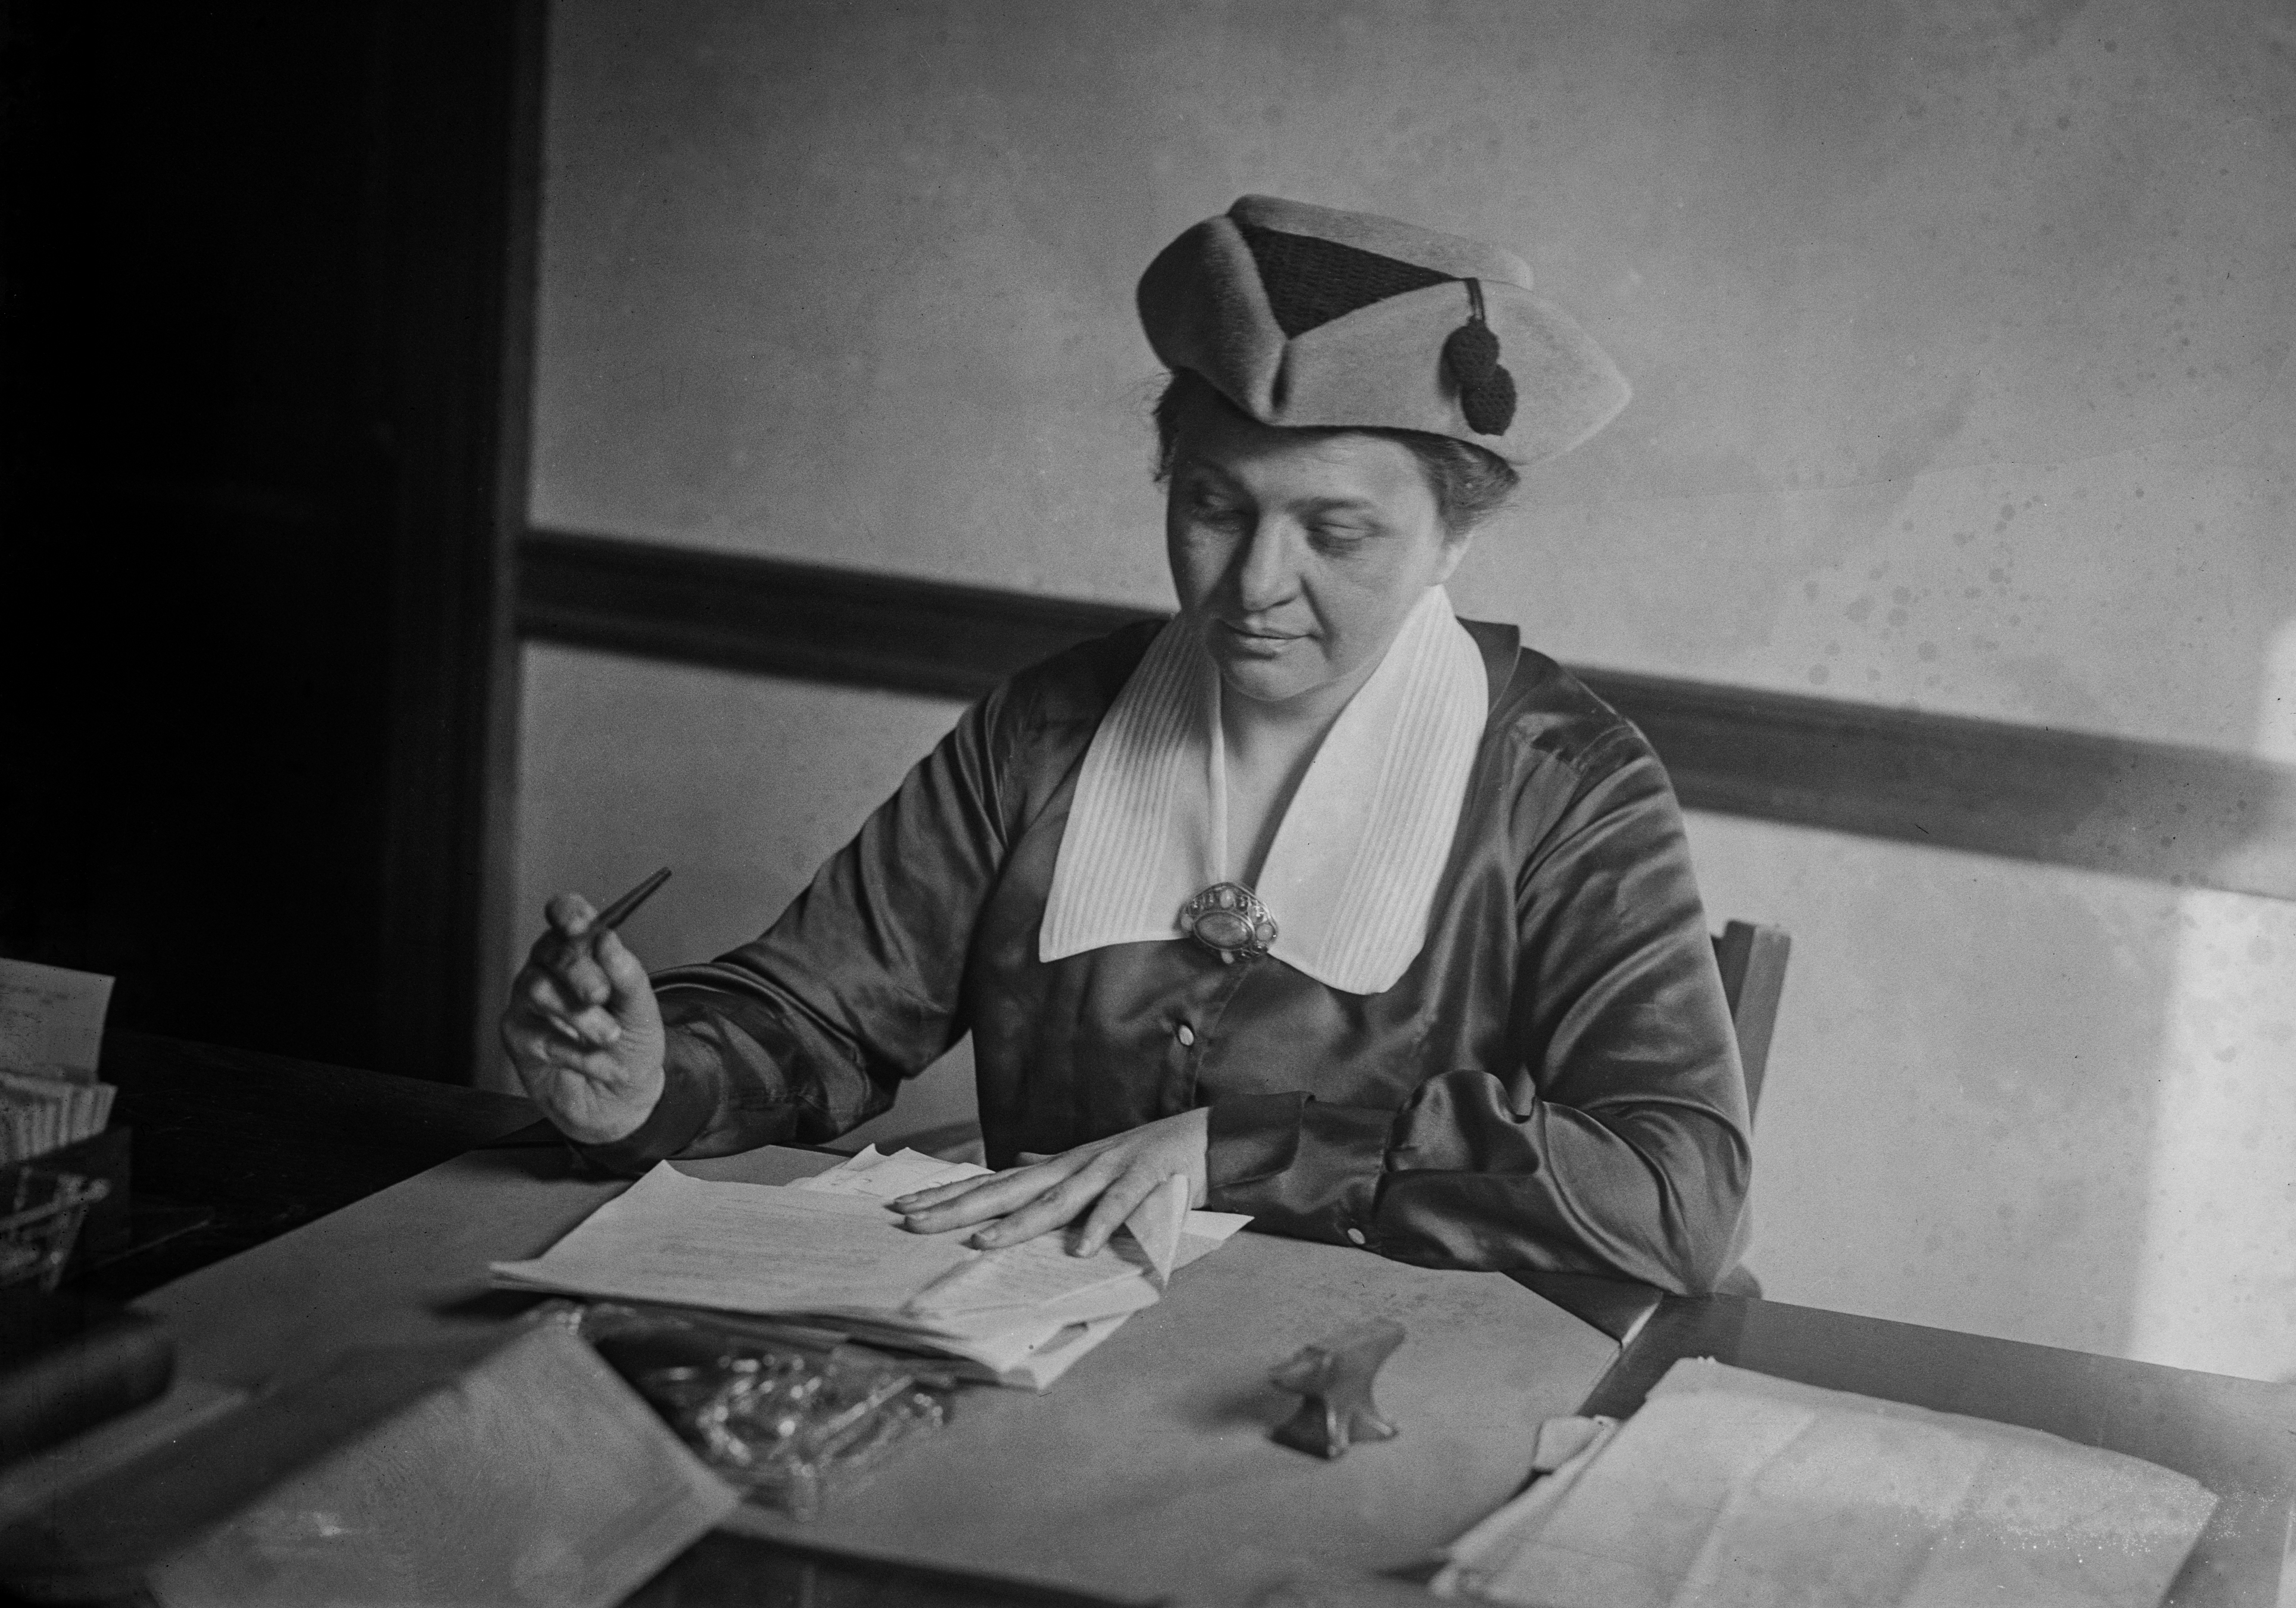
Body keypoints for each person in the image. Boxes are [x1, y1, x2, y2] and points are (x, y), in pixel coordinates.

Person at [501, 196, 1752, 1294]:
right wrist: (657, 1083)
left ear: (1452, 542)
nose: (1255, 584)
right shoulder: (1049, 727)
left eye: (1337, 533)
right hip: (1030, 1356)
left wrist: (1236, 1144)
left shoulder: (1562, 788)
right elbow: (823, 1016)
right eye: (1212, 506)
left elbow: (1677, 1193)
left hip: (1374, 1391)